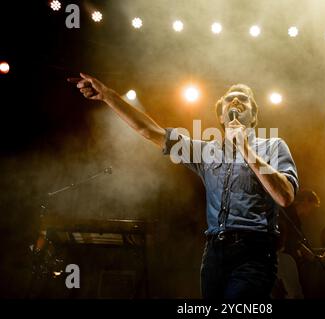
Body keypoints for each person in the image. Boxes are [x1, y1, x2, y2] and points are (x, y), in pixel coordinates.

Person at [67, 74, 299, 299]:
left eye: (243, 98)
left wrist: (246, 149)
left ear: (254, 116)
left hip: (254, 252)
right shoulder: (206, 151)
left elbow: (285, 196)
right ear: (221, 115)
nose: (236, 101)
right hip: (214, 253)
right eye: (229, 98)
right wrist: (108, 96)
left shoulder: (273, 147)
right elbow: (149, 131)